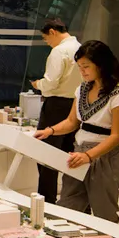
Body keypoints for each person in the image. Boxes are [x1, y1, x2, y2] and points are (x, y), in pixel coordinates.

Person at [34, 40, 119, 223]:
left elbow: (116, 136)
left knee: (104, 213)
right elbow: (72, 122)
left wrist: (89, 156)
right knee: (67, 207)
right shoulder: (82, 89)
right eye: (80, 67)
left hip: (104, 158)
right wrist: (49, 131)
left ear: (101, 64)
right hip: (78, 154)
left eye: (86, 66)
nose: (83, 71)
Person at [30, 18, 82, 204]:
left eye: (46, 38)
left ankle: (47, 202)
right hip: (77, 105)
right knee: (70, 154)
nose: (47, 42)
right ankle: (73, 200)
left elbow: (51, 83)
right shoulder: (80, 48)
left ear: (52, 32)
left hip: (56, 106)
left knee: (46, 155)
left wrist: (38, 85)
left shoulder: (59, 51)